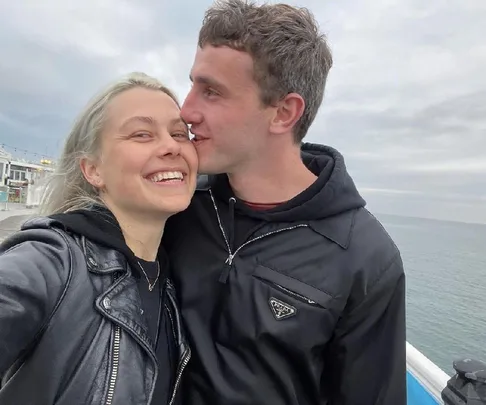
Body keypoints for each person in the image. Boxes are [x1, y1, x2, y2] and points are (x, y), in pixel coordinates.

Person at [163, 1, 407, 404]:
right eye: (191, 85)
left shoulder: (365, 259)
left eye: (211, 92)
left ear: (283, 112)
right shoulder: (179, 201)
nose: (186, 110)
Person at [0, 72, 197, 405]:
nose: (171, 146)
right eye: (141, 134)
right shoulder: (54, 260)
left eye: (179, 133)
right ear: (93, 170)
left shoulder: (171, 282)